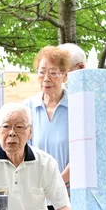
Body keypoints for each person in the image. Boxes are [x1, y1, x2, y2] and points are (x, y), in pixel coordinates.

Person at [0, 103, 71, 210]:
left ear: (30, 132)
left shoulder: (46, 163)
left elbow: (63, 207)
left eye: (19, 127)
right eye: (6, 126)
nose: (12, 133)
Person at [24, 46, 72, 189]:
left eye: (53, 73)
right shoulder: (27, 108)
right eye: (41, 72)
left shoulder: (76, 106)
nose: (46, 78)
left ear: (65, 76)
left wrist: (58, 184)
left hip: (70, 191)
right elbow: (22, 151)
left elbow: (82, 153)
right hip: (37, 189)